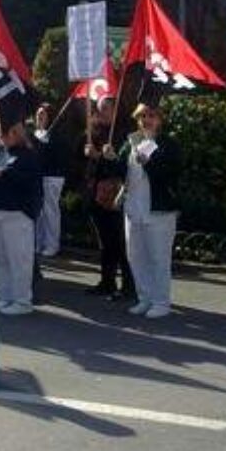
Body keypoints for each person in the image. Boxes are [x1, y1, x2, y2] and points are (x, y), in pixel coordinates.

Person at [105, 102, 181, 319]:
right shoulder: (131, 142)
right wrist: (110, 158)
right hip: (133, 208)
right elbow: (121, 170)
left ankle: (161, 301)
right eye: (143, 116)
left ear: (160, 120)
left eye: (152, 116)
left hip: (159, 211)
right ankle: (144, 297)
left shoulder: (168, 144)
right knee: (135, 255)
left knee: (158, 257)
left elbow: (170, 173)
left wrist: (148, 162)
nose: (147, 120)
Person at [0, 114, 43, 315]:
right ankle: (5, 296)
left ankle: (22, 300)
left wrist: (4, 174)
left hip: (17, 213)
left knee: (19, 259)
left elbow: (28, 181)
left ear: (15, 133)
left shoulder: (28, 155)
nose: (0, 136)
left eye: (3, 133)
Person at [83, 96, 135, 300]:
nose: (103, 112)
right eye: (100, 108)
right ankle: (107, 281)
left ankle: (129, 285)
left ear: (115, 110)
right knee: (105, 241)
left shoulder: (124, 132)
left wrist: (101, 157)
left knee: (120, 241)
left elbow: (122, 165)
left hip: (115, 192)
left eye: (107, 108)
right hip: (97, 192)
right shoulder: (92, 131)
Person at [33, 103, 69, 258]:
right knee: (39, 212)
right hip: (38, 176)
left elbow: (60, 156)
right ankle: (39, 243)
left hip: (52, 176)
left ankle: (52, 245)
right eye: (38, 114)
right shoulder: (35, 133)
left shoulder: (57, 135)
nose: (39, 116)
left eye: (43, 114)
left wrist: (47, 144)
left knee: (50, 211)